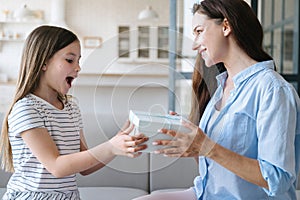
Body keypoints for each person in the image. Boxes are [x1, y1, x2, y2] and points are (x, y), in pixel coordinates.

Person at [134, 0, 300, 199]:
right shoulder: (220, 88)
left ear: (226, 26)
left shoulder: (272, 89)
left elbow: (277, 179)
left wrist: (208, 147)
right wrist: (187, 139)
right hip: (206, 193)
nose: (194, 44)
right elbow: (213, 163)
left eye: (199, 31)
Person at [0, 25, 148, 199]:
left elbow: (85, 167)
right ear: (44, 62)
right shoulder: (26, 109)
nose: (78, 68)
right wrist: (110, 147)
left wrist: (118, 143)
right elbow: (57, 167)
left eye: (78, 61)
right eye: (70, 60)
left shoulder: (71, 108)